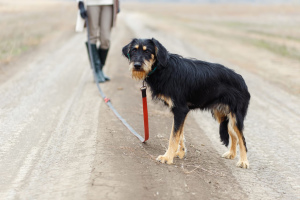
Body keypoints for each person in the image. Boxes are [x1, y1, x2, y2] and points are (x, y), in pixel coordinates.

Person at [77, 0, 119, 83]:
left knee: (105, 39)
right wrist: (81, 3)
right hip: (91, 3)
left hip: (108, 3)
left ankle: (100, 69)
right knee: (92, 37)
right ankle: (97, 71)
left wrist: (118, 3)